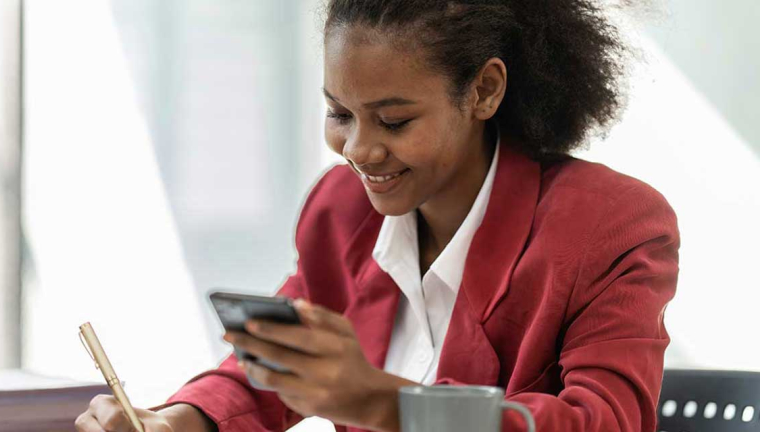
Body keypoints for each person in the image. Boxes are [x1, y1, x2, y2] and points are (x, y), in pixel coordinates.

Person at [76, 0, 679, 431]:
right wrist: (180, 421)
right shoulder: (340, 213)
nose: (359, 151)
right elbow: (276, 373)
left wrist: (388, 405)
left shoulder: (609, 225)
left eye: (394, 121)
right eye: (340, 114)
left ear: (484, 92)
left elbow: (606, 422)